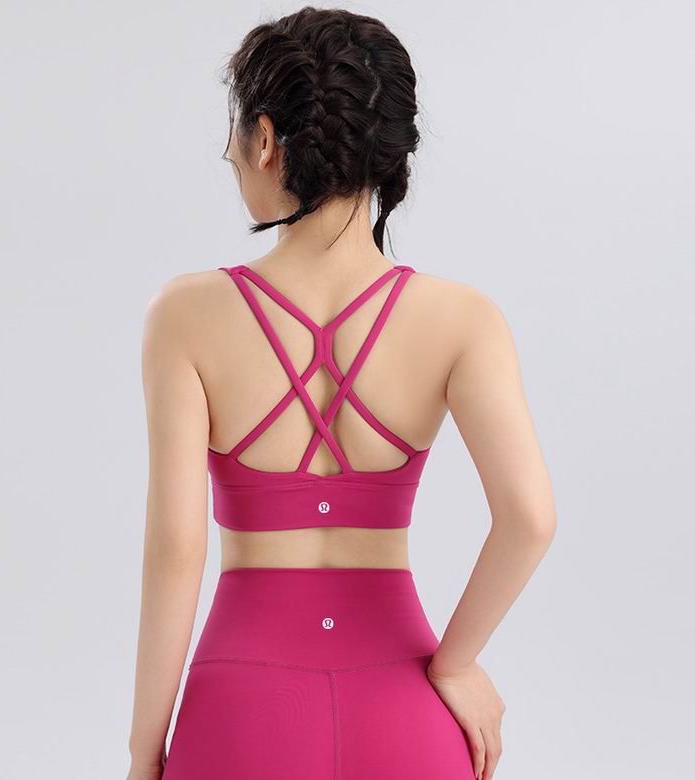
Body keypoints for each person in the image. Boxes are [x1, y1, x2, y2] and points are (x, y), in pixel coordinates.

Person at [126, 7, 556, 780]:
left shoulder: (185, 315)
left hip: (242, 713)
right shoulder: (464, 319)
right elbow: (529, 518)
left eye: (234, 134)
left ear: (265, 140)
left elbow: (176, 551)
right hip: (406, 712)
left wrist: (142, 753)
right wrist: (456, 665)